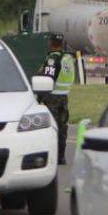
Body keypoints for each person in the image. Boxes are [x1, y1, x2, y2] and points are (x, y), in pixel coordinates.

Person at [38, 33, 76, 165]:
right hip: (64, 96)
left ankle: (50, 157)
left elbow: (47, 79)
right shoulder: (67, 58)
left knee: (50, 128)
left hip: (52, 96)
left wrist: (40, 96)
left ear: (51, 43)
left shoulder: (52, 59)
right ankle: (61, 156)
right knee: (62, 127)